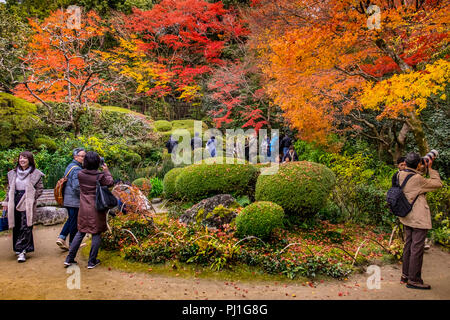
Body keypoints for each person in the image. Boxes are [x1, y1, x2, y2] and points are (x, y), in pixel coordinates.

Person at [398, 152, 442, 290]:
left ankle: (405, 275)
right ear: (418, 164)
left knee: (408, 245)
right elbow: (438, 184)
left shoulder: (400, 174)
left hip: (406, 216)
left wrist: (420, 167)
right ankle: (414, 280)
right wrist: (430, 168)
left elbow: (413, 174)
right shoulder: (417, 179)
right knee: (417, 248)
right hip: (418, 218)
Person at [64, 151, 114, 269]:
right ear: (97, 162)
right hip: (96, 208)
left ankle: (69, 259)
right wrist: (106, 170)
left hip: (83, 207)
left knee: (80, 232)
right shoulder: (99, 176)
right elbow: (110, 182)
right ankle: (91, 261)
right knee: (96, 233)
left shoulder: (81, 174)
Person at [2, 151, 44, 263]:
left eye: (25, 158)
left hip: (27, 201)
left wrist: (30, 198)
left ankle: (22, 251)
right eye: (20, 158)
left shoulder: (35, 174)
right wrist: (6, 202)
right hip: (14, 200)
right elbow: (9, 189)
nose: (22, 160)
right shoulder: (12, 173)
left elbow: (40, 189)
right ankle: (18, 247)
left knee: (26, 225)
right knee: (16, 224)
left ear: (30, 160)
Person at [56, 148, 86, 250]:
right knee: (75, 223)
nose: (84, 158)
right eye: (82, 156)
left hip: (68, 199)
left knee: (71, 219)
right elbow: (77, 187)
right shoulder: (77, 168)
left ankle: (61, 237)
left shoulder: (70, 166)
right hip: (74, 200)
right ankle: (73, 244)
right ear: (75, 157)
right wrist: (84, 196)